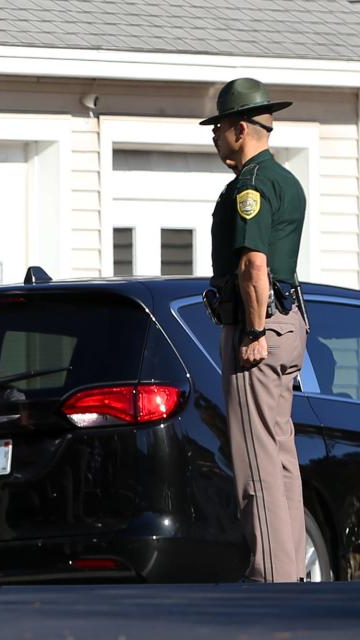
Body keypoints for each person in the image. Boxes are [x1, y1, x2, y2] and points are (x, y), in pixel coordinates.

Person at [201, 77, 308, 582]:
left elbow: (253, 266)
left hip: (259, 327)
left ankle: (272, 580)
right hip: (289, 323)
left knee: (257, 463)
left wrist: (253, 330)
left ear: (239, 127)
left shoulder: (252, 184)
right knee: (281, 459)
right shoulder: (285, 179)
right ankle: (289, 573)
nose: (215, 138)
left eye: (219, 128)